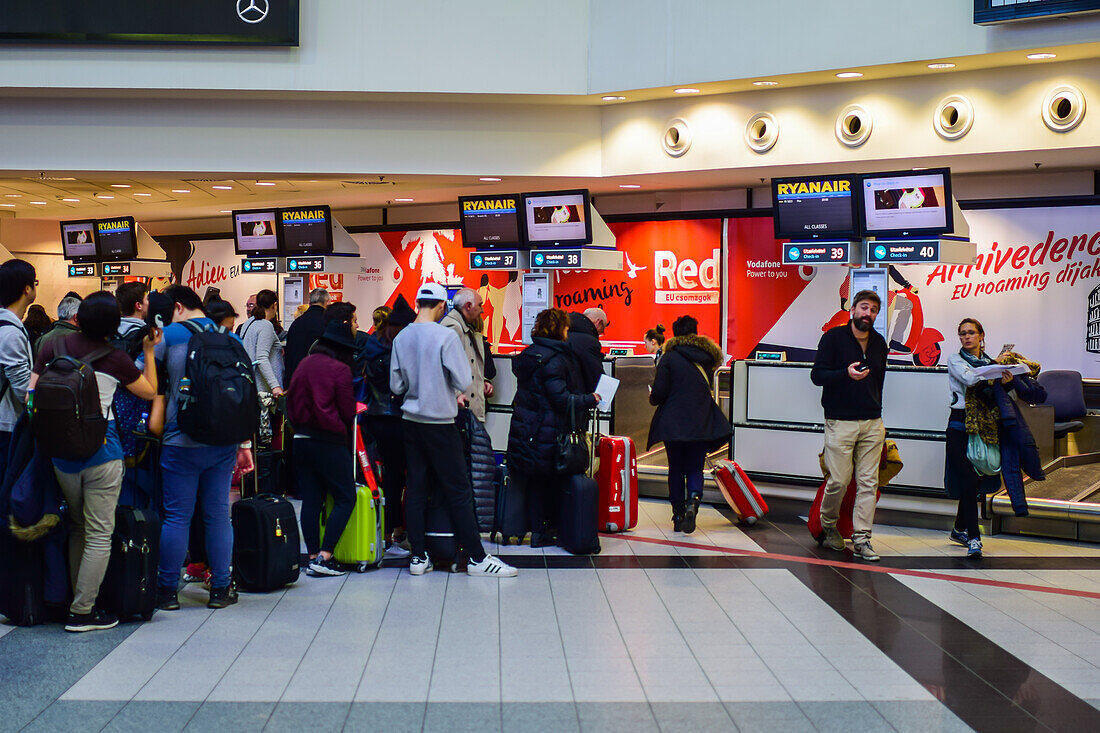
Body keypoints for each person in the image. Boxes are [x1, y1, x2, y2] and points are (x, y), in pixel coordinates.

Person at [30, 292, 160, 632]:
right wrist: (148, 351)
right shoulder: (115, 357)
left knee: (76, 526)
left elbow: (32, 392)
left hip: (60, 452)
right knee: (100, 532)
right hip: (102, 451)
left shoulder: (51, 347)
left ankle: (76, 600)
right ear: (113, 325)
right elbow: (148, 391)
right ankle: (83, 611)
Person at [390, 282, 517, 578]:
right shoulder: (445, 336)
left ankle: (418, 557)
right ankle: (476, 558)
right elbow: (463, 380)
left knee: (417, 489)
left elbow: (396, 386)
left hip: (411, 422)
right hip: (441, 423)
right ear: (439, 306)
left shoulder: (402, 337)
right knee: (459, 490)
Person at [150, 285, 254, 611]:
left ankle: (167, 590)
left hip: (179, 440)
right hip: (222, 442)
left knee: (177, 517)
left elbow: (143, 377)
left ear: (178, 306)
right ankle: (221, 588)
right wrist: (244, 443)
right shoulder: (231, 338)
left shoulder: (167, 335)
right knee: (218, 515)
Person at [507, 308, 599, 546]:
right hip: (549, 430)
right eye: (566, 328)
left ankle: (537, 530)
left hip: (527, 428)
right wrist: (591, 399)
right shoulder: (555, 359)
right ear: (561, 329)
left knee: (536, 482)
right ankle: (547, 531)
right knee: (552, 482)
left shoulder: (530, 354)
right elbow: (561, 399)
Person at [810, 289, 888, 561]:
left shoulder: (879, 343)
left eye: (874, 310)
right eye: (864, 307)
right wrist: (845, 373)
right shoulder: (833, 338)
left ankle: (862, 538)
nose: (868, 313)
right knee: (839, 482)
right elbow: (817, 376)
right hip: (839, 421)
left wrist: (878, 414)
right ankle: (828, 523)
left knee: (869, 483)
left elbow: (880, 381)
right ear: (852, 309)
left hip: (872, 422)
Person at [647, 315, 732, 534]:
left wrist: (653, 397)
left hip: (674, 423)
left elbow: (659, 392)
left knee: (676, 468)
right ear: (695, 332)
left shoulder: (669, 358)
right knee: (695, 466)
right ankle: (694, 502)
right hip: (700, 420)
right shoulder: (707, 357)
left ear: (675, 334)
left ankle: (678, 515)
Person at [288, 320, 359, 578]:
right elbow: (348, 411)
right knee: (345, 497)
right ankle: (325, 555)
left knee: (311, 500)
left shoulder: (303, 364)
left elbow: (291, 402)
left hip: (300, 440)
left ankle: (311, 555)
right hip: (328, 441)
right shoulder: (339, 369)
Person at [361, 296, 414, 557]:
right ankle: (400, 532)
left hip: (376, 419)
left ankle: (385, 532)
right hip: (399, 420)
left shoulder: (373, 345)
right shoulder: (400, 349)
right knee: (405, 477)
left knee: (387, 478)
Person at [0, 259, 36, 473]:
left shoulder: (8, 326)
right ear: (27, 289)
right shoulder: (11, 333)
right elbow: (23, 389)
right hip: (6, 425)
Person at [441, 288, 493, 423]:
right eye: (480, 305)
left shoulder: (463, 328)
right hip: (460, 410)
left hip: (464, 409)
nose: (482, 310)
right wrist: (457, 395)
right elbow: (445, 369)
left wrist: (483, 381)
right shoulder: (453, 328)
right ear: (468, 306)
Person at [240, 289, 285, 397]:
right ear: (274, 305)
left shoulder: (248, 323)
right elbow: (261, 358)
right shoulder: (266, 325)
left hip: (249, 383)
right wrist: (275, 386)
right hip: (263, 389)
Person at [284, 288, 329, 383]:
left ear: (310, 301)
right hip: (316, 379)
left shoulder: (296, 323)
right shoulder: (326, 323)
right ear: (326, 302)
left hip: (295, 377)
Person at [566, 307, 607, 393]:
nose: (600, 333)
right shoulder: (589, 341)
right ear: (599, 322)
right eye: (602, 329)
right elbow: (594, 374)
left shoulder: (563, 332)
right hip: (576, 395)